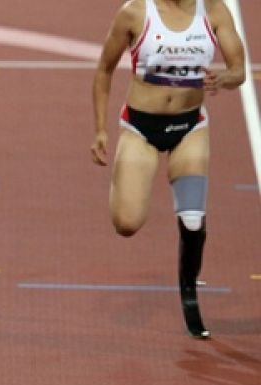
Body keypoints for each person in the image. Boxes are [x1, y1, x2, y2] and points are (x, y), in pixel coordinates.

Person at [91, 0, 245, 338]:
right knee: (126, 224)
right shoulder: (135, 12)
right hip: (141, 129)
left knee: (192, 219)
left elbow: (240, 71)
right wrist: (101, 129)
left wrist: (225, 78)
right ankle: (126, 174)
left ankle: (188, 291)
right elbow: (104, 68)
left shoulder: (215, 11)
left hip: (189, 128)